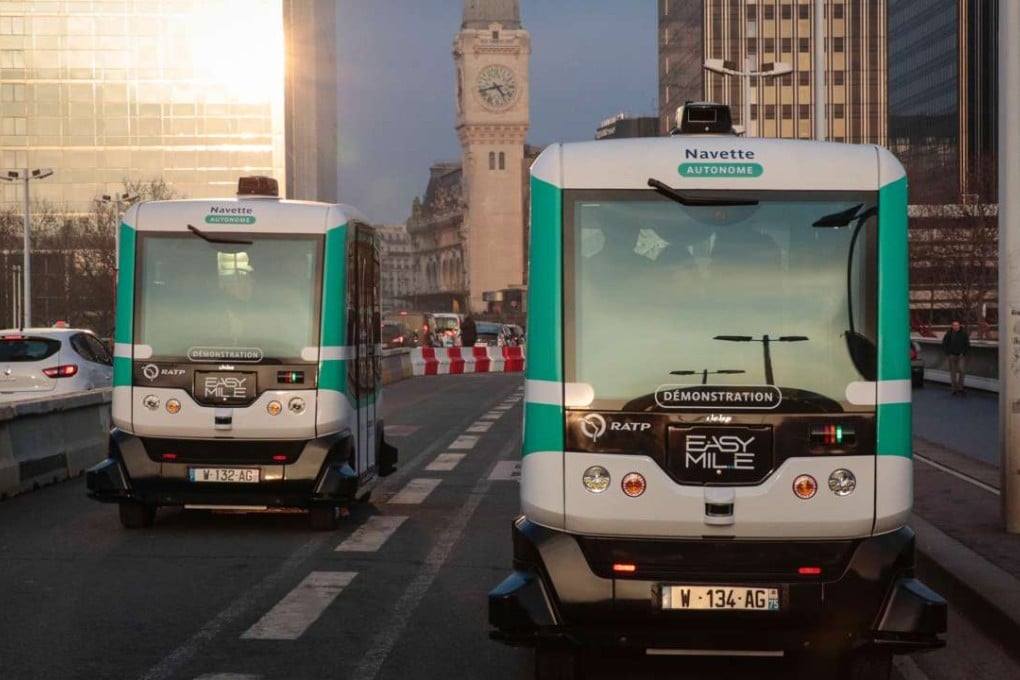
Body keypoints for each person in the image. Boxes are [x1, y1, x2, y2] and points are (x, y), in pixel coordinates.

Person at [942, 319, 970, 395]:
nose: (955, 327)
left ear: (959, 325)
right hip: (951, 355)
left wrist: (964, 353)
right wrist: (947, 352)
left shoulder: (964, 334)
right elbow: (944, 343)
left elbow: (967, 344)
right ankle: (954, 388)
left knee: (962, 371)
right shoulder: (949, 334)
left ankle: (960, 388)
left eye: (956, 325)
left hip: (960, 355)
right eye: (954, 325)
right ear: (952, 326)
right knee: (953, 372)